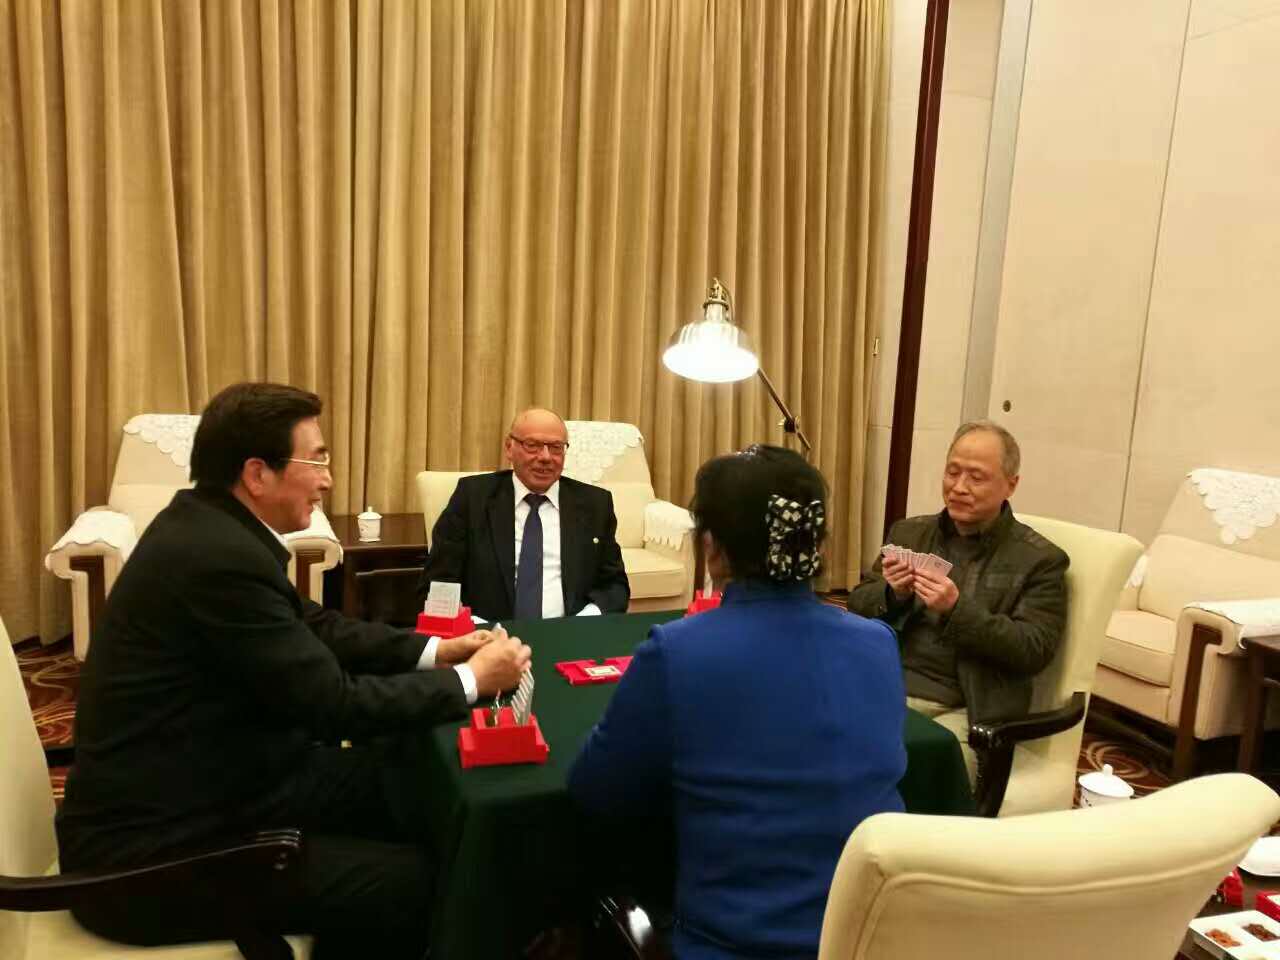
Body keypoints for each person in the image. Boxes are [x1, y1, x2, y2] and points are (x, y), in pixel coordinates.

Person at [56, 382, 532, 959]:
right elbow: (333, 705)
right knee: (413, 882)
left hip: (221, 775)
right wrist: (473, 682)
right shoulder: (215, 557)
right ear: (257, 474)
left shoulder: (210, 526)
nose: (327, 480)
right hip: (153, 857)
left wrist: (437, 650)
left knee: (405, 779)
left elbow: (317, 626)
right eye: (318, 460)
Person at [569, 444, 906, 959]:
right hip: (875, 938)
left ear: (712, 549)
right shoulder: (878, 643)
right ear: (816, 544)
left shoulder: (677, 651)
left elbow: (596, 791)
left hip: (732, 943)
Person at [847, 420, 1068, 766]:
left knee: (887, 759)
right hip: (884, 682)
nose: (959, 487)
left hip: (967, 706)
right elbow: (858, 603)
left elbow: (1032, 649)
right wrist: (893, 595)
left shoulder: (1039, 560)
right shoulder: (911, 533)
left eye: (976, 477)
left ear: (1011, 485)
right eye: (952, 472)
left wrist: (956, 610)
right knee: (808, 726)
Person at [416, 407, 629, 621]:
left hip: (572, 632)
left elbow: (615, 585)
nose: (545, 457)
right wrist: (475, 629)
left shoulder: (594, 504)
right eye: (532, 445)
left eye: (556, 447)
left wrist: (583, 622)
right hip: (486, 633)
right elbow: (438, 583)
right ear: (509, 448)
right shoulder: (472, 498)